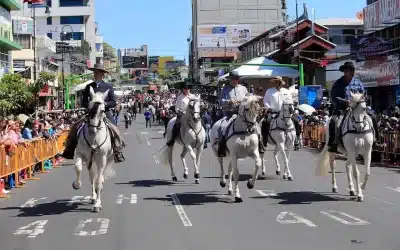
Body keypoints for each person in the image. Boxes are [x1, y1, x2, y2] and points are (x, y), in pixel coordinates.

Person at [62, 63, 125, 163]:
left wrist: (105, 104)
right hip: (91, 112)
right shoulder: (88, 86)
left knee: (114, 128)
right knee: (75, 126)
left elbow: (113, 102)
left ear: (102, 74)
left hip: (104, 111)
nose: (95, 74)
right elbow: (84, 102)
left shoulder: (108, 86)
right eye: (94, 72)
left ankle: (117, 150)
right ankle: (70, 148)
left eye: (97, 72)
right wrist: (90, 106)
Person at [327, 61, 380, 153]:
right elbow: (334, 97)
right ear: (344, 71)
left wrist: (363, 99)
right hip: (343, 108)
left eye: (352, 70)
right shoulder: (338, 83)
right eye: (349, 70)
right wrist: (344, 102)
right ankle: (333, 143)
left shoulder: (358, 82)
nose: (351, 72)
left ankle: (376, 140)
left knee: (373, 117)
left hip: (358, 108)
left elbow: (364, 94)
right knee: (333, 121)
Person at [217, 72, 264, 157]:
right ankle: (222, 147)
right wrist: (228, 101)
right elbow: (220, 101)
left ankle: (260, 144)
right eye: (232, 79)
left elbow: (248, 99)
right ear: (230, 80)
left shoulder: (243, 89)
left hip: (243, 114)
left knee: (256, 125)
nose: (234, 81)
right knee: (223, 127)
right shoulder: (225, 89)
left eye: (235, 79)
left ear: (238, 80)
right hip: (229, 113)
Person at [261, 77, 299, 147]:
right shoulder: (269, 91)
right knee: (266, 122)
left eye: (277, 82)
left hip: (285, 112)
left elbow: (290, 101)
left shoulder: (286, 91)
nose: (275, 83)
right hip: (273, 112)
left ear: (280, 83)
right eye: (274, 82)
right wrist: (269, 108)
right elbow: (265, 101)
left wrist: (291, 108)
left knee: (296, 121)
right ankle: (265, 139)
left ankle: (297, 139)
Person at [166, 82, 195, 147]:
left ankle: (204, 141)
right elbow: (177, 107)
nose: (187, 90)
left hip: (192, 114)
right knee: (177, 124)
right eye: (185, 89)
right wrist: (180, 112)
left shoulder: (193, 96)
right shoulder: (180, 97)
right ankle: (172, 139)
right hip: (182, 114)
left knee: (201, 122)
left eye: (188, 89)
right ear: (183, 89)